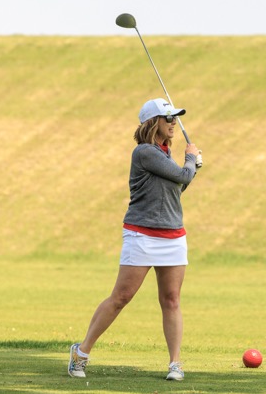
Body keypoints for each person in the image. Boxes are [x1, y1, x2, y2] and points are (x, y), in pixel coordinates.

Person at [67, 97, 201, 381]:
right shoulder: (144, 153)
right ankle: (81, 352)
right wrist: (191, 159)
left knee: (171, 300)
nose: (173, 123)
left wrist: (192, 168)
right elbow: (181, 175)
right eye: (168, 118)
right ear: (153, 122)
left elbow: (175, 189)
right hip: (142, 234)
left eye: (175, 117)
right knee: (121, 297)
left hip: (173, 235)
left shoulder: (164, 153)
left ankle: (175, 363)